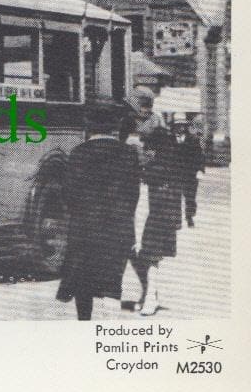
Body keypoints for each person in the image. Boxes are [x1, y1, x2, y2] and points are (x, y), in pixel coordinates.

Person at [56, 105, 141, 320]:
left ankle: (84, 323)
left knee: (83, 281)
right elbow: (133, 195)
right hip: (117, 229)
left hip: (84, 230)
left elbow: (68, 193)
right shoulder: (128, 154)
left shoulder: (78, 153)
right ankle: (108, 331)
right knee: (112, 282)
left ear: (89, 127)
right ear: (114, 127)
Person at [134, 127, 182, 316]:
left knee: (150, 258)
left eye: (148, 147)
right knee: (149, 258)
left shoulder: (158, 167)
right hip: (162, 217)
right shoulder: (170, 164)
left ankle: (150, 299)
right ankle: (149, 295)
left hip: (156, 217)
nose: (146, 150)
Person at [172, 116, 205, 228]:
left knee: (190, 197)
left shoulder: (193, 140)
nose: (180, 127)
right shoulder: (170, 139)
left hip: (190, 173)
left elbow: (200, 156)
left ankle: (189, 217)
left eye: (182, 125)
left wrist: (200, 169)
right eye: (178, 125)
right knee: (175, 196)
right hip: (175, 172)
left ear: (186, 126)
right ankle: (177, 221)